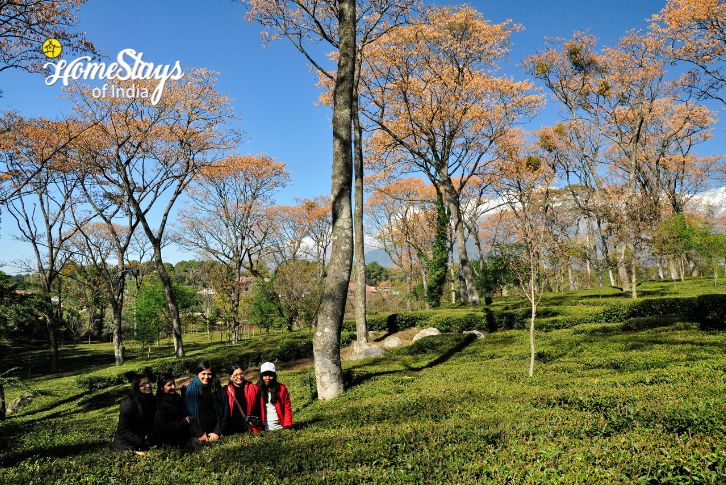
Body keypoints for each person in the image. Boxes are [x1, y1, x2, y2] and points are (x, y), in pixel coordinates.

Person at [183, 360, 227, 443]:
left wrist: (217, 432)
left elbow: (224, 410)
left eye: (209, 374)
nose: (206, 377)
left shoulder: (217, 387)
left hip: (216, 432)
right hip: (199, 434)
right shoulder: (191, 389)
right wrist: (200, 434)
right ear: (198, 374)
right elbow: (189, 415)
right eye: (203, 374)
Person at [112, 372, 156, 452]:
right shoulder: (129, 403)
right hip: (126, 445)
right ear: (136, 387)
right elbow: (124, 429)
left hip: (144, 441)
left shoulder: (151, 399)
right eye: (143, 384)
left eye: (149, 382)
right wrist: (142, 441)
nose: (148, 385)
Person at [154, 373, 192, 448]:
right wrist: (183, 423)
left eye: (174, 383)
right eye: (169, 385)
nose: (173, 387)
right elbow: (162, 427)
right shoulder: (159, 403)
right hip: (170, 440)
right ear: (162, 388)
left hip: (182, 433)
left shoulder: (175, 396)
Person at [223, 364, 262, 434]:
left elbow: (259, 408)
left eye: (241, 374)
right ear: (231, 377)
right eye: (235, 375)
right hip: (232, 431)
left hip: (250, 429)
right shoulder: (225, 391)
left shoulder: (253, 388)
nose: (239, 377)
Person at [255, 362, 293, 431]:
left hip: (281, 427)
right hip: (264, 429)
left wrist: (287, 425)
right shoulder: (256, 389)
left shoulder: (281, 388)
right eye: (265, 375)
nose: (268, 378)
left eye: (270, 375)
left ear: (274, 376)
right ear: (261, 376)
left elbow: (287, 407)